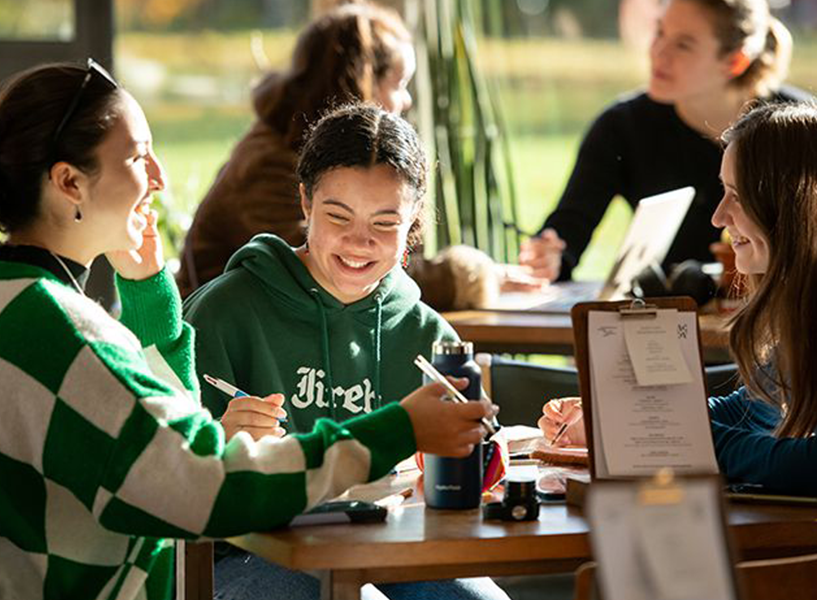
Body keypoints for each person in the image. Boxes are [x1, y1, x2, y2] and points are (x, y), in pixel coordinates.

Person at [0, 61, 495, 600]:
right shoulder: (58, 330)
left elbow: (164, 434)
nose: (160, 177)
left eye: (384, 222)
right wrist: (399, 428)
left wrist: (145, 289)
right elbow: (200, 484)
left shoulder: (31, 308)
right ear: (70, 182)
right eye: (139, 155)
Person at [183, 103, 511, 600]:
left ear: (413, 223)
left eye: (385, 223)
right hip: (249, 556)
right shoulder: (224, 312)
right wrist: (216, 440)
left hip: (394, 548)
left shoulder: (428, 333)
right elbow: (165, 476)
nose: (360, 241)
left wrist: (484, 455)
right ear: (305, 203)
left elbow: (468, 478)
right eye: (338, 215)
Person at [539, 99, 817, 500]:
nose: (718, 216)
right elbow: (755, 407)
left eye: (738, 195)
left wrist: (685, 441)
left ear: (797, 201)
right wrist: (619, 419)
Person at [520, 0, 807, 283]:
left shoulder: (799, 128)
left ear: (735, 60)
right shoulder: (621, 127)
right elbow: (567, 232)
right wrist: (549, 256)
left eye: (683, 45)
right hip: (666, 322)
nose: (658, 52)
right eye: (659, 32)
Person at [176, 1, 415, 297]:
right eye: (399, 83)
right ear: (363, 84)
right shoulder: (271, 165)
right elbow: (332, 273)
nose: (406, 101)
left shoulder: (278, 143)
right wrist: (461, 276)